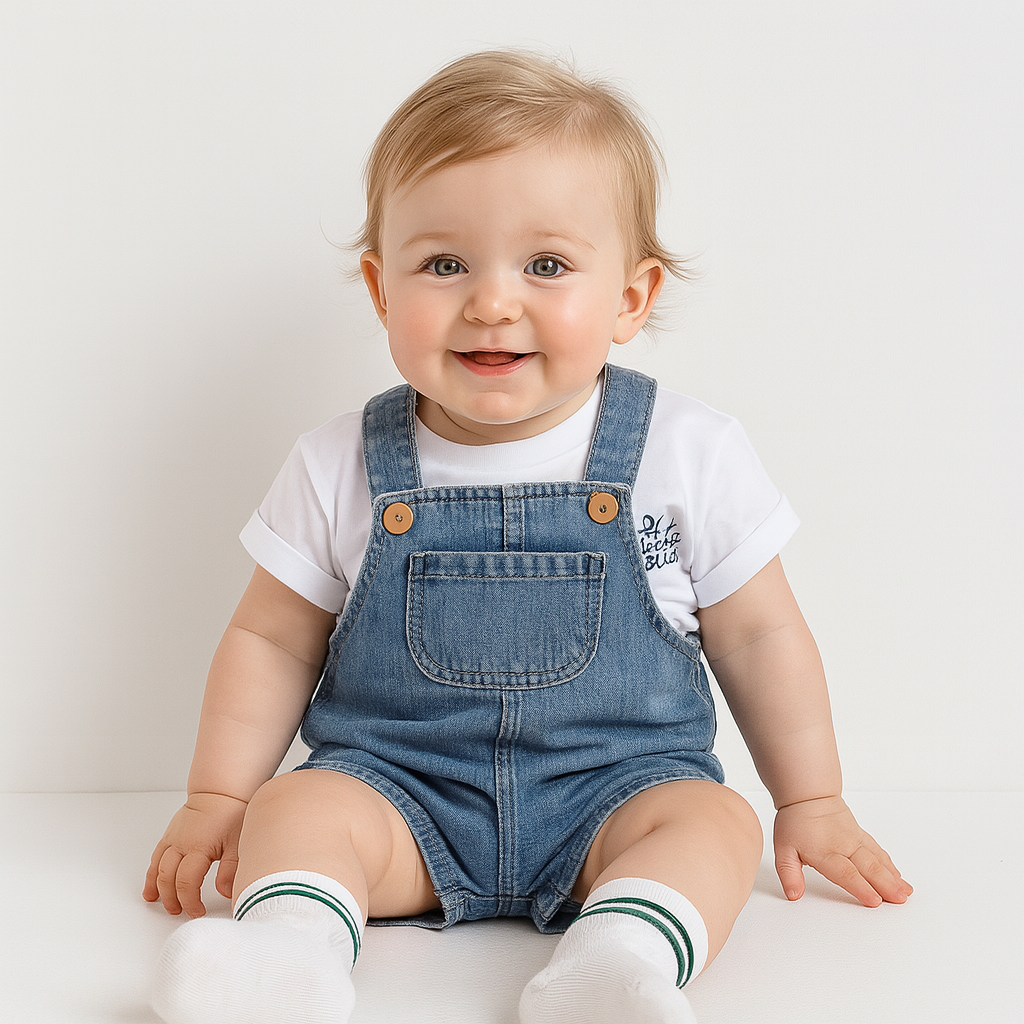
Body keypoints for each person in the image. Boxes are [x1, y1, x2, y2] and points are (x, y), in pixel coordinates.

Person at [144, 49, 912, 1024]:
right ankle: (284, 959)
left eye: (545, 264)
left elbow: (760, 636)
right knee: (294, 810)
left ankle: (617, 958)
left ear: (632, 297)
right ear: (382, 290)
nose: (492, 300)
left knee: (714, 822)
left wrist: (810, 799)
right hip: (398, 798)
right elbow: (270, 638)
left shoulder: (688, 452)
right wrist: (220, 793)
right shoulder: (339, 462)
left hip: (618, 797)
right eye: (444, 263)